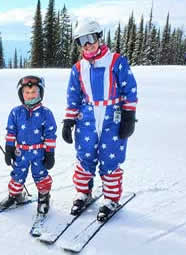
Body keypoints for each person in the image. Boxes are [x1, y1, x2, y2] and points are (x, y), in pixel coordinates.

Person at [62, 19, 137, 221]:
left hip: (112, 115)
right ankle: (83, 193)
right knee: (84, 155)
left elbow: (129, 89)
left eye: (90, 38)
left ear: (98, 37)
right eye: (81, 41)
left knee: (110, 156)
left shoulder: (116, 61)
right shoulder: (78, 68)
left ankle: (111, 198)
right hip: (86, 116)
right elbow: (73, 96)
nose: (87, 44)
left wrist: (129, 117)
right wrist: (69, 121)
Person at [0, 75, 57, 215]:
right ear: (21, 94)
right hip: (21, 152)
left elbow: (50, 134)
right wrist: (9, 148)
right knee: (17, 174)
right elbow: (11, 131)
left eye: (34, 92)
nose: (30, 96)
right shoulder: (16, 112)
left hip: (39, 152)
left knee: (41, 175)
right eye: (27, 92)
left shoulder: (46, 113)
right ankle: (15, 194)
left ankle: (44, 196)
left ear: (40, 93)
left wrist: (50, 153)